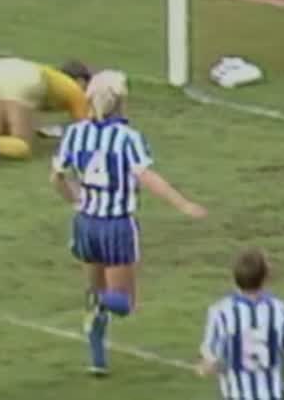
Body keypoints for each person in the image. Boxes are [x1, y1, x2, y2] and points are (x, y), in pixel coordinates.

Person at [51, 70, 207, 375]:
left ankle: (97, 358)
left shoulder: (75, 133)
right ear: (121, 101)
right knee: (123, 303)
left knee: (97, 291)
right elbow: (147, 177)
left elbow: (56, 177)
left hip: (85, 223)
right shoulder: (128, 138)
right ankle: (99, 304)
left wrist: (75, 199)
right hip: (117, 225)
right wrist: (183, 204)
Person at [196, 249, 284, 399]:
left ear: (234, 277)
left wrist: (203, 368)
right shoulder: (281, 310)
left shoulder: (220, 312)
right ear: (265, 277)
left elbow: (209, 362)